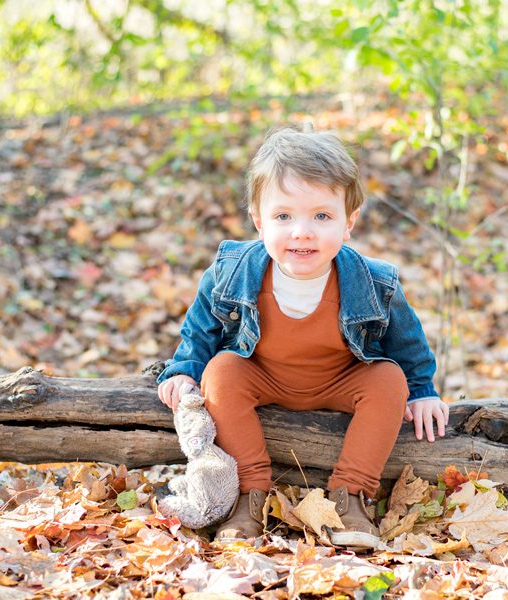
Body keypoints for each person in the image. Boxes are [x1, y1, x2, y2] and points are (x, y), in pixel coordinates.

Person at [156, 126, 449, 547]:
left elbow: (407, 342)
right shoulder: (231, 272)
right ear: (259, 221)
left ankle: (350, 496)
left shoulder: (373, 281)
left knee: (389, 381)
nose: (302, 231)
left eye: (322, 216)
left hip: (341, 381)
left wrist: (422, 390)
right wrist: (184, 369)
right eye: (283, 216)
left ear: (349, 223)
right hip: (262, 376)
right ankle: (249, 495)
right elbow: (202, 327)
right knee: (221, 372)